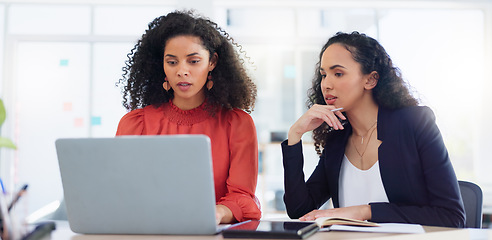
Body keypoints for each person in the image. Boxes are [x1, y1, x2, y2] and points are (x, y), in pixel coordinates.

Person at [282, 31, 465, 228]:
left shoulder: (413, 123)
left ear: (370, 80)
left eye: (338, 73)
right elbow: (299, 210)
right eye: (324, 75)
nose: (326, 84)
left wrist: (365, 211)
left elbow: (452, 217)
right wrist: (295, 136)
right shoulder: (338, 139)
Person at [115, 10, 261, 224]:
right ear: (162, 66)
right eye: (172, 62)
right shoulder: (136, 124)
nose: (182, 71)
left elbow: (242, 196)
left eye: (193, 61)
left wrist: (217, 213)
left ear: (212, 62)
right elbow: (122, 193)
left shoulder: (236, 124)